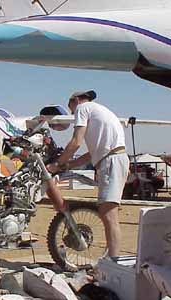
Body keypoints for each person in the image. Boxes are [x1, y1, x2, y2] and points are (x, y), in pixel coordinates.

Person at [47, 90, 129, 258]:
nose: (72, 112)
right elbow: (91, 154)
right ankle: (112, 260)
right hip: (114, 158)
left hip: (111, 161)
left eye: (70, 108)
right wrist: (68, 165)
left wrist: (56, 164)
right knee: (107, 213)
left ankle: (113, 261)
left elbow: (76, 141)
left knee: (108, 214)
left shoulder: (82, 109)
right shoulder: (99, 111)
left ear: (75, 100)